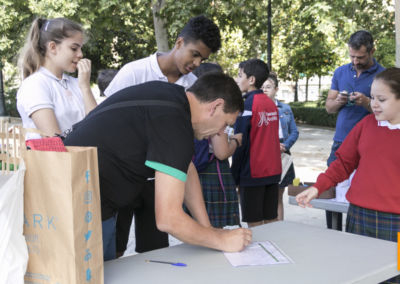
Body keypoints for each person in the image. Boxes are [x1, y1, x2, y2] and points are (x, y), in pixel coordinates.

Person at [64, 72, 252, 261]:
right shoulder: (175, 123)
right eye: (225, 124)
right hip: (81, 210)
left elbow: (186, 169)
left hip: (83, 198)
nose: (220, 133)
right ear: (216, 106)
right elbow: (169, 219)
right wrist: (221, 239)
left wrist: (206, 228)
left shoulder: (172, 99)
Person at [104, 15, 222, 256]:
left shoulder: (193, 88)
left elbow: (183, 150)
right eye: (194, 54)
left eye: (203, 59)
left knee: (156, 252)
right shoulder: (134, 72)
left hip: (161, 181)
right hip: (123, 177)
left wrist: (206, 228)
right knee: (113, 251)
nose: (197, 63)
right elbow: (105, 119)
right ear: (179, 43)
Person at [296, 67, 400, 245]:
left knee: (396, 270)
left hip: (395, 220)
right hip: (359, 214)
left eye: (381, 99)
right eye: (372, 97)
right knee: (361, 269)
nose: (374, 104)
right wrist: (317, 187)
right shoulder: (366, 124)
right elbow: (343, 163)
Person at [324, 30, 384, 230]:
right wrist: (339, 101)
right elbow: (329, 107)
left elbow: (388, 112)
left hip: (370, 143)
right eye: (352, 56)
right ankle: (333, 232)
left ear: (372, 51)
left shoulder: (382, 75)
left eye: (361, 57)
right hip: (341, 140)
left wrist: (367, 102)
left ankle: (360, 231)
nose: (356, 61)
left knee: (365, 189)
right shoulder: (341, 72)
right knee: (332, 188)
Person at [17, 18, 97, 139]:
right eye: (74, 48)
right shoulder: (34, 85)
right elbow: (54, 141)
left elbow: (98, 128)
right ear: (52, 47)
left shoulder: (78, 84)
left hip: (81, 157)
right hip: (52, 158)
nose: (80, 54)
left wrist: (85, 87)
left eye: (81, 48)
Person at [231, 59, 282, 227]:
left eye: (240, 76)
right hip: (273, 170)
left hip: (253, 172)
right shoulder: (271, 103)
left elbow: (240, 142)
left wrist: (234, 176)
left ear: (251, 80)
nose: (237, 80)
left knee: (255, 225)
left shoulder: (247, 105)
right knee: (270, 221)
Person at [191, 63, 242, 228]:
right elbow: (221, 152)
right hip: (214, 175)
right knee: (220, 229)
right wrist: (235, 141)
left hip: (195, 175)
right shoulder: (216, 114)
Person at [262, 73, 299, 220]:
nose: (265, 89)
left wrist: (285, 145)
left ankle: (279, 226)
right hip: (265, 151)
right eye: (262, 87)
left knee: (278, 195)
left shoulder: (285, 108)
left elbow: (294, 132)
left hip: (283, 150)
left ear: (276, 89)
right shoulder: (257, 107)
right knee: (264, 194)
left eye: (268, 87)